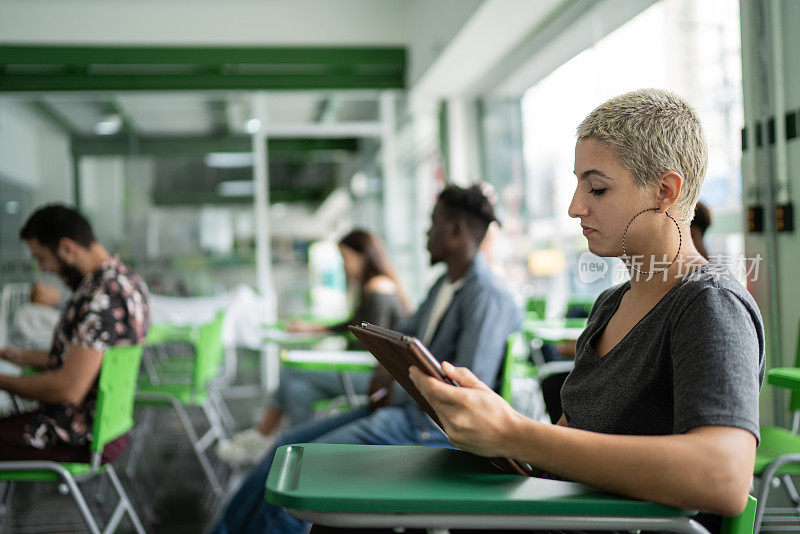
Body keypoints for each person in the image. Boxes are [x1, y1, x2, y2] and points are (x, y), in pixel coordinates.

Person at [410, 89, 764, 533]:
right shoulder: (609, 306)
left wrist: (516, 433)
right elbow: (563, 446)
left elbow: (724, 477)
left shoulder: (709, 304)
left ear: (664, 191)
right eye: (578, 184)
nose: (576, 206)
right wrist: (493, 422)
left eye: (596, 187)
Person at [211, 184, 522, 534]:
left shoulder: (485, 297)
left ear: (455, 231)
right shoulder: (445, 285)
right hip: (405, 412)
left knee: (303, 473)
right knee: (288, 448)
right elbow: (404, 334)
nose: (426, 232)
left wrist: (397, 387)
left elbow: (465, 392)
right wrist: (386, 372)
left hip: (426, 427)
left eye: (432, 223)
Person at [217, 229, 410, 465]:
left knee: (290, 372)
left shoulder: (377, 289)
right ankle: (299, 456)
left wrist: (317, 334)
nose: (343, 267)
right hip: (366, 370)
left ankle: (264, 439)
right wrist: (313, 329)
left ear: (363, 256)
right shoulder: (378, 287)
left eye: (345, 259)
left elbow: (366, 338)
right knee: (299, 390)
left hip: (371, 375)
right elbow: (354, 326)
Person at [0, 204, 149, 462]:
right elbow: (90, 358)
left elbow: (69, 388)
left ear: (68, 248)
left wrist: (2, 381)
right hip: (109, 427)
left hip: (77, 436)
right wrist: (20, 356)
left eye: (41, 258)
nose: (43, 269)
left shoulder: (98, 299)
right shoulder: (128, 282)